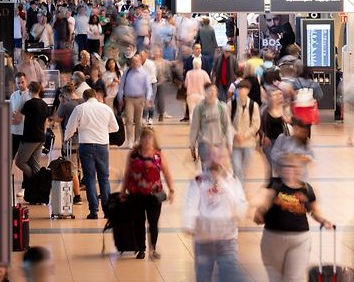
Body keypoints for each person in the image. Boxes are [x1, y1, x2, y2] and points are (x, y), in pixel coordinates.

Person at [254, 153, 333, 282]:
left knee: (294, 280)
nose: (291, 171)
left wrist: (323, 221)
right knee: (277, 281)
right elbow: (261, 207)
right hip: (273, 239)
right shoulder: (274, 185)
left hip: (300, 240)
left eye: (295, 168)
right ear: (281, 169)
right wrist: (259, 209)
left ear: (300, 170)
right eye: (287, 167)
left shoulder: (307, 190)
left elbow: (314, 211)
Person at [183, 151, 247, 282]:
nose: (217, 162)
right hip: (204, 241)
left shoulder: (233, 182)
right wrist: (190, 224)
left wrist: (224, 186)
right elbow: (191, 204)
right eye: (214, 158)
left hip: (227, 240)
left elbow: (240, 208)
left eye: (222, 158)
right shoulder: (198, 181)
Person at [119, 128, 176, 260]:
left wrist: (171, 189)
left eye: (150, 138)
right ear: (141, 139)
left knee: (153, 223)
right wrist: (122, 191)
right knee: (138, 222)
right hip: (136, 194)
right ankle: (141, 249)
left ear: (154, 140)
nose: (147, 141)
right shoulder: (133, 155)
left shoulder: (158, 155)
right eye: (145, 138)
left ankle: (153, 248)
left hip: (153, 195)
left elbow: (166, 173)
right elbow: (127, 174)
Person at [64, 89, 119, 219]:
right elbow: (115, 128)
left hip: (86, 147)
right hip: (102, 147)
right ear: (96, 96)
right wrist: (103, 130)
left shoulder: (80, 108)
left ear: (84, 98)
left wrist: (67, 137)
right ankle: (107, 210)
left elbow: (70, 127)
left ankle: (93, 211)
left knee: (89, 179)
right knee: (104, 179)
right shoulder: (105, 108)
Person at [52, 83, 83, 205]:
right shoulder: (82, 101)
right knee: (82, 166)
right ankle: (82, 187)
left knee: (72, 168)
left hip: (71, 141)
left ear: (64, 94)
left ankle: (77, 197)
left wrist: (60, 102)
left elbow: (56, 118)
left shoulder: (65, 104)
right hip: (84, 138)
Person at [15, 82, 49, 187]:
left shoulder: (29, 103)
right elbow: (45, 122)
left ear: (29, 90)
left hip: (30, 138)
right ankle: (39, 190)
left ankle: (36, 180)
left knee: (20, 162)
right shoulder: (44, 104)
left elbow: (17, 112)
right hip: (40, 137)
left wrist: (23, 98)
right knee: (35, 165)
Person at [190, 83, 232, 167]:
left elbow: (227, 126)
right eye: (210, 91)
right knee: (206, 169)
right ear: (205, 92)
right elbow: (194, 127)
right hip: (204, 143)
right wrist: (192, 144)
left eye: (214, 90)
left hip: (219, 143)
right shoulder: (199, 108)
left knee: (218, 170)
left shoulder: (222, 107)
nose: (212, 93)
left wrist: (229, 144)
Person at [228, 80, 260, 183]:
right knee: (237, 168)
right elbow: (227, 122)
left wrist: (245, 135)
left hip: (249, 143)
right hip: (235, 143)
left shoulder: (253, 106)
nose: (242, 91)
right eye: (240, 89)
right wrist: (235, 133)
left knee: (245, 168)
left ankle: (238, 186)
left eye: (244, 89)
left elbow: (256, 124)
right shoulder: (231, 105)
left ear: (248, 91)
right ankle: (238, 191)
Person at [117, 54, 153, 147]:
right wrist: (120, 98)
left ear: (140, 62)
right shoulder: (127, 71)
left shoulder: (144, 73)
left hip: (140, 98)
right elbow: (121, 86)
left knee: (138, 120)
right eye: (133, 61)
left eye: (136, 61)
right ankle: (130, 140)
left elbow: (148, 87)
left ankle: (137, 140)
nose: (134, 63)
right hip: (129, 98)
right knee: (129, 119)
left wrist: (148, 99)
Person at [10, 72, 29, 160]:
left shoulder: (30, 95)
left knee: (25, 159)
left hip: (26, 131)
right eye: (18, 83)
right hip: (14, 130)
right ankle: (8, 173)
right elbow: (10, 111)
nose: (20, 85)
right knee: (10, 155)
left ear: (26, 81)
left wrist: (21, 117)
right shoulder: (13, 95)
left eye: (22, 82)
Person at [153, 46, 171, 122]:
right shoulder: (152, 63)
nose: (157, 53)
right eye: (155, 52)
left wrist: (164, 79)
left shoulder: (165, 62)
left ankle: (162, 112)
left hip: (162, 82)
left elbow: (168, 73)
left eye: (158, 52)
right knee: (153, 98)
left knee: (161, 98)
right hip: (153, 82)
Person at [140, 50, 158, 125]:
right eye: (140, 56)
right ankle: (144, 117)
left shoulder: (151, 64)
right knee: (143, 101)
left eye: (142, 56)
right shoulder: (138, 64)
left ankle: (150, 117)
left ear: (145, 56)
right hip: (142, 85)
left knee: (150, 101)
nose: (140, 57)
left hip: (152, 84)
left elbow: (152, 75)